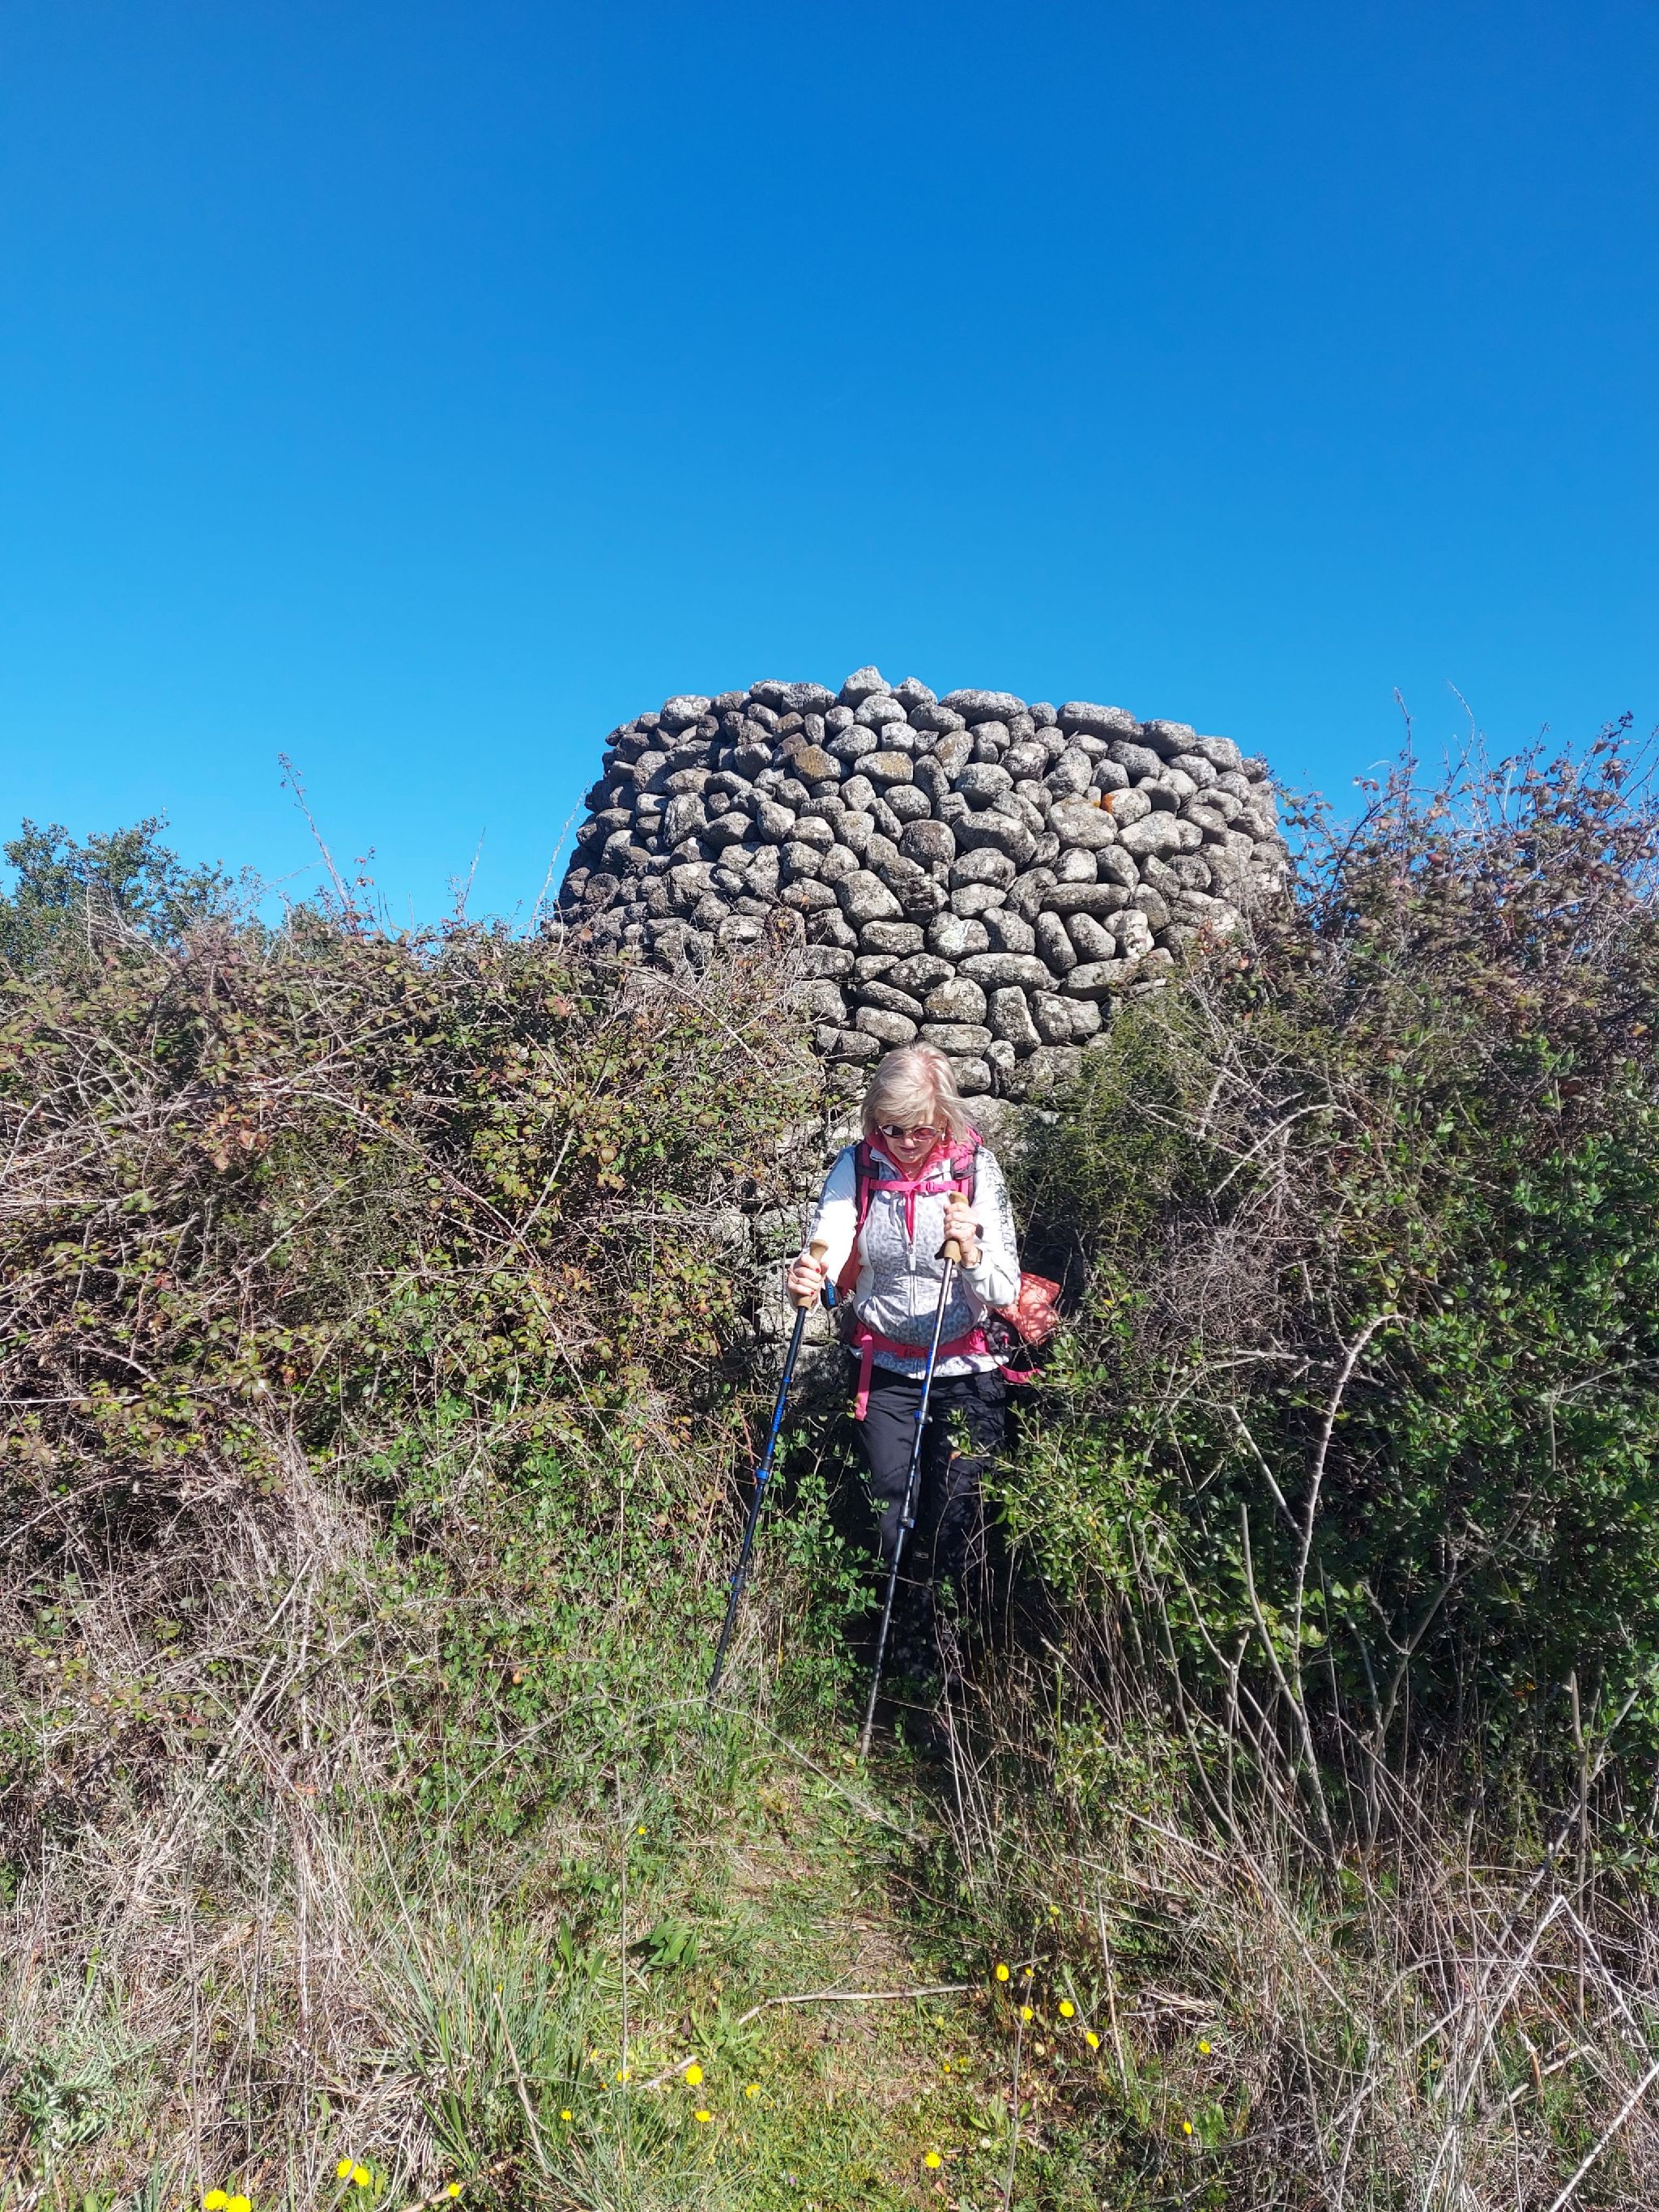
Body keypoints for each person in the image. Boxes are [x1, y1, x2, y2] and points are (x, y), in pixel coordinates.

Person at [787, 1045, 1021, 1663]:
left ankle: (947, 1654)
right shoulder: (859, 1166)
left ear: (943, 1115)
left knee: (956, 1519)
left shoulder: (975, 1169)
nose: (907, 1142)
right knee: (890, 1511)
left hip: (966, 1369)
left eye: (920, 1128)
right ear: (874, 1121)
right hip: (885, 1371)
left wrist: (972, 1252)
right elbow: (831, 1238)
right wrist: (811, 1273)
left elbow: (1006, 1288)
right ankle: (898, 1645)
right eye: (891, 1128)